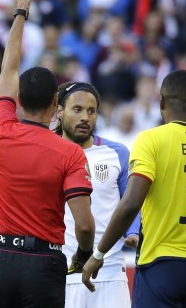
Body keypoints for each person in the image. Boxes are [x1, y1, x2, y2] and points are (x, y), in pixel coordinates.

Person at [82, 70, 186, 306]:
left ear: (161, 103)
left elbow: (131, 203)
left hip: (160, 264)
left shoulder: (151, 140)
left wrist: (98, 254)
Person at [0, 0, 95, 308]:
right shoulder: (69, 151)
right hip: (44, 263)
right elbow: (84, 225)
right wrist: (84, 254)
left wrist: (21, 10)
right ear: (56, 102)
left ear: (18, 99)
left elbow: (9, 68)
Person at [54, 81, 140, 308]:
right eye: (77, 110)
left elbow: (132, 200)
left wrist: (133, 232)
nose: (85, 117)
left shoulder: (117, 153)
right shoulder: (46, 152)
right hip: (58, 271)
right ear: (59, 112)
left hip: (109, 270)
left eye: (91, 111)